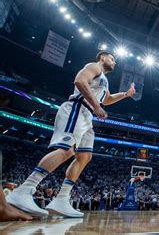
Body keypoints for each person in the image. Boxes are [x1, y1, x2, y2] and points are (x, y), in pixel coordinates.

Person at [7, 51, 136, 218]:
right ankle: (24, 190)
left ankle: (62, 199)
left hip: (87, 116)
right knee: (66, 151)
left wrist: (125, 94)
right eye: (112, 59)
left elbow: (108, 99)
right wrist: (96, 106)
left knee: (85, 156)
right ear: (102, 57)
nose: (115, 63)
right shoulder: (93, 66)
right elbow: (80, 81)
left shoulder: (103, 79)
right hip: (77, 108)